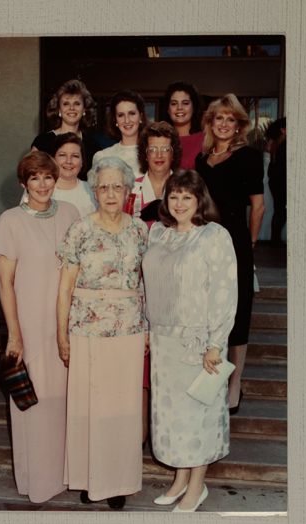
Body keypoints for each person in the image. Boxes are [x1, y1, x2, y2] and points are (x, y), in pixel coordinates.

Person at [56, 156, 149, 510]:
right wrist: (61, 334)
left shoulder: (140, 230)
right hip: (87, 328)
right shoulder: (80, 229)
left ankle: (119, 481)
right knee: (90, 406)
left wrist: (148, 329)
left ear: (128, 191)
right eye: (103, 186)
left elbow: (146, 284)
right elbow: (64, 287)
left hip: (128, 329)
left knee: (122, 409)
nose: (110, 193)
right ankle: (89, 476)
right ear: (94, 191)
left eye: (117, 186)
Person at [142, 169, 237, 512]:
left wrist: (216, 342)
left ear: (200, 200)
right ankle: (180, 480)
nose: (179, 203)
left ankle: (197, 485)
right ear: (166, 200)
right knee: (173, 416)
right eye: (174, 196)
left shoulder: (214, 235)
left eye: (187, 196)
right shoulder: (159, 235)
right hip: (164, 340)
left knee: (199, 414)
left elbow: (226, 292)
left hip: (200, 341)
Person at [0, 151, 80, 503]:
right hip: (29, 321)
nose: (42, 184)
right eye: (34, 178)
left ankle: (65, 474)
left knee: (65, 401)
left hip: (66, 322)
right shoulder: (10, 220)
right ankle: (37, 481)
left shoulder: (71, 214)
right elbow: (4, 283)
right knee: (35, 401)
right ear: (23, 184)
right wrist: (15, 334)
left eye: (47, 177)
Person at [195, 93, 265, 414]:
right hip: (204, 241)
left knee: (237, 315)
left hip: (236, 242)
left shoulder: (249, 156)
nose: (224, 124)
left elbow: (258, 206)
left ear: (239, 125)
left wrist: (249, 244)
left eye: (230, 119)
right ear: (210, 123)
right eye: (218, 118)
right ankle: (210, 378)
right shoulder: (201, 159)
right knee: (209, 312)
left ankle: (234, 385)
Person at [124, 120, 182, 443]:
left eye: (165, 148)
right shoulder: (131, 188)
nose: (159, 155)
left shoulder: (185, 186)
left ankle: (167, 438)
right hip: (139, 286)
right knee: (141, 369)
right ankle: (140, 437)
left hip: (174, 290)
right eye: (153, 149)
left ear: (174, 152)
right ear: (144, 153)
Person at [31, 79, 99, 178]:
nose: (72, 108)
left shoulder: (93, 145)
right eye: (66, 104)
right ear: (59, 109)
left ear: (84, 109)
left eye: (77, 104)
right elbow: (31, 177)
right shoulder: (42, 142)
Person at [23, 132, 96, 218]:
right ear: (53, 159)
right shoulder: (38, 189)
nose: (68, 161)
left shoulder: (93, 191)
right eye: (62, 155)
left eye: (75, 156)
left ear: (82, 162)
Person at [92, 89, 147, 178]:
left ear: (140, 116)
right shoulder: (102, 156)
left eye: (132, 113)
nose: (127, 120)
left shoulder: (153, 154)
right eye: (121, 115)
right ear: (115, 120)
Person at [163, 81, 204, 169]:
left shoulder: (206, 139)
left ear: (194, 108)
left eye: (185, 103)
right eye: (174, 103)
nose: (179, 108)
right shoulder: (159, 139)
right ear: (168, 109)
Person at [266, 117, 286, 246]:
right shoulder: (284, 145)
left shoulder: (276, 145)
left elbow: (271, 170)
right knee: (281, 211)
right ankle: (276, 240)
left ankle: (275, 239)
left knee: (279, 211)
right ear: (283, 130)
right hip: (281, 184)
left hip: (276, 183)